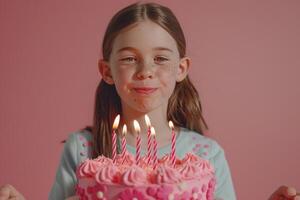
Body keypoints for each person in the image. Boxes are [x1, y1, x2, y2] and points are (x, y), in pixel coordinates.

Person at [0, 2, 299, 200]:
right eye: (130, 59)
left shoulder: (206, 156)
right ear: (107, 71)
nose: (146, 72)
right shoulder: (83, 150)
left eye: (160, 59)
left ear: (181, 69)